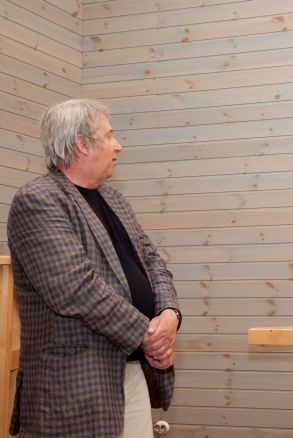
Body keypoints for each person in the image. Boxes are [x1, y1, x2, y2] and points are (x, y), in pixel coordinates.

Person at [7, 99, 182, 437]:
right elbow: (75, 288)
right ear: (82, 144)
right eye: (109, 136)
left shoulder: (116, 200)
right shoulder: (38, 200)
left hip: (130, 371)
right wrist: (149, 336)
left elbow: (154, 263)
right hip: (74, 385)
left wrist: (169, 314)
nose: (118, 145)